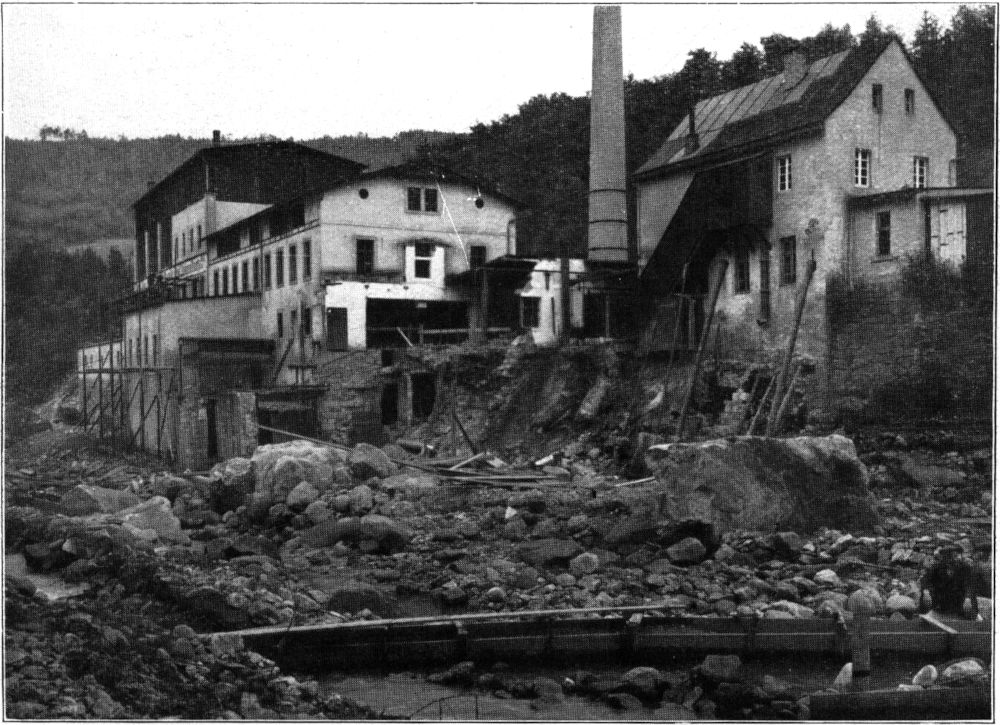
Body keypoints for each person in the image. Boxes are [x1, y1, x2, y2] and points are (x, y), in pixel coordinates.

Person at [919, 545, 980, 618]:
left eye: (957, 556)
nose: (957, 558)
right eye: (953, 556)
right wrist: (926, 592)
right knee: (925, 595)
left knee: (970, 599)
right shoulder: (937, 567)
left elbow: (970, 585)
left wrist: (968, 598)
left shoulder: (965, 568)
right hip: (943, 598)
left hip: (960, 598)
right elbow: (926, 580)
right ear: (946, 558)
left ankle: (969, 617)